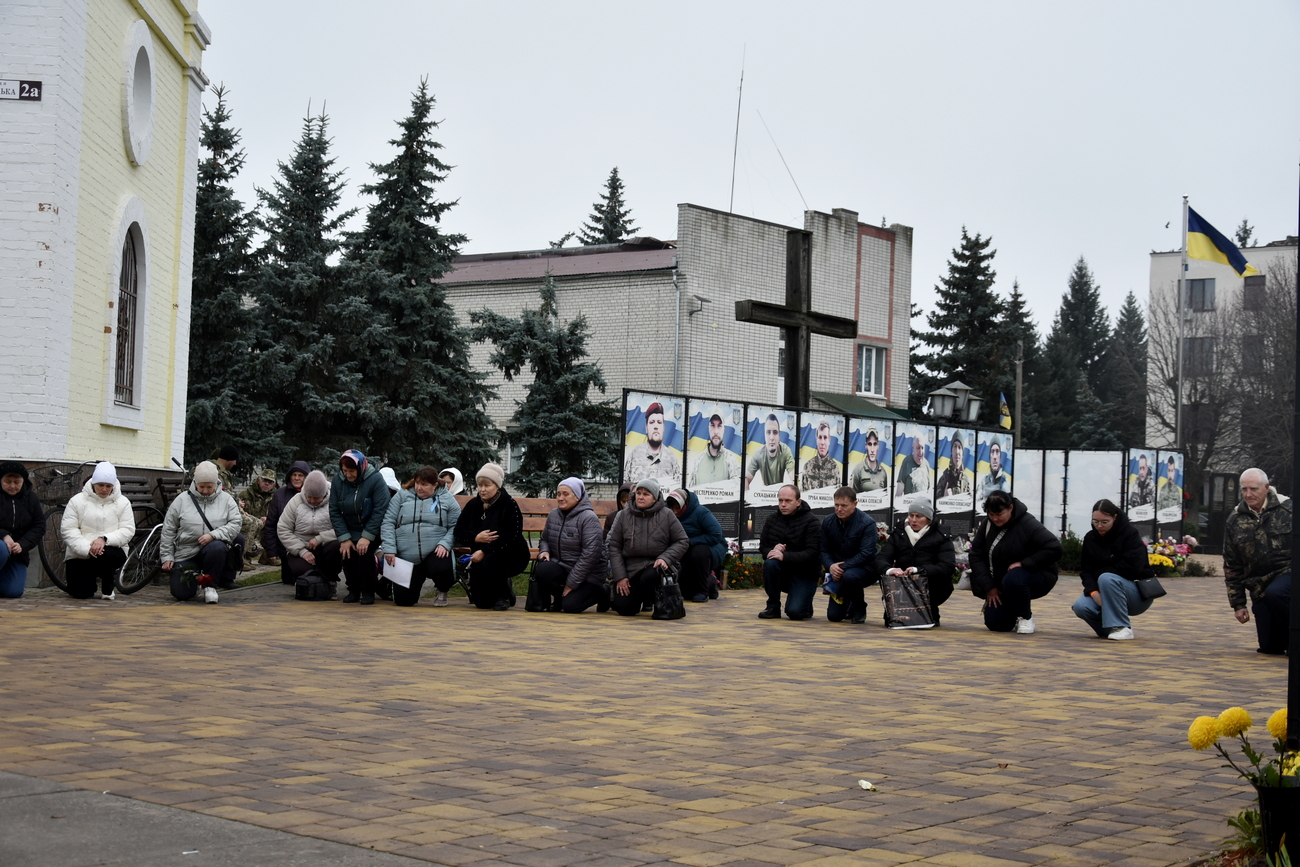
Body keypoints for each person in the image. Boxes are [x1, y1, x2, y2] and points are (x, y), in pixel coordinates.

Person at [968, 490, 1062, 634]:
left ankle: (1026, 616)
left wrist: (1025, 563)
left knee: (1014, 578)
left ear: (1011, 508)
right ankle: (1012, 611)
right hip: (1000, 582)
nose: (995, 519)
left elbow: (1054, 547)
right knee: (997, 624)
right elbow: (976, 556)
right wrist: (989, 587)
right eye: (991, 515)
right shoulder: (987, 525)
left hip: (1035, 575)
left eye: (999, 515)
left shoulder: (1027, 523)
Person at [1223, 468, 1292, 655]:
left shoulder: (1289, 509)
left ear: (1267, 488)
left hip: (1288, 574)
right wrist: (1238, 604)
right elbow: (1232, 565)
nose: (1248, 494)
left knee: (1276, 593)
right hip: (1259, 586)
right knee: (1269, 647)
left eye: (1253, 489)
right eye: (1244, 489)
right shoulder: (1235, 520)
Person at [1070, 499, 1154, 641]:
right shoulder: (1090, 538)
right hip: (1104, 590)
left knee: (1106, 577)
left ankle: (1122, 627)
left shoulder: (1130, 535)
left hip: (1137, 594)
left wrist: (1101, 574)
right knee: (1080, 607)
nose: (1099, 526)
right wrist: (1094, 592)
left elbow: (1133, 569)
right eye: (1095, 521)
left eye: (1104, 522)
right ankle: (1109, 630)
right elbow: (1085, 570)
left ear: (1115, 518)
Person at [160, 461, 242, 603]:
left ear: (216, 484)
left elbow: (236, 524)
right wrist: (167, 556)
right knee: (181, 594)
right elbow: (169, 529)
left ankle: (210, 586)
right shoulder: (181, 500)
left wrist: (213, 535)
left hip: (212, 549)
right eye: (201, 486)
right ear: (195, 483)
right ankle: (195, 583)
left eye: (209, 487)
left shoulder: (226, 500)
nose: (205, 490)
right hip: (186, 551)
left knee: (216, 547)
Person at [606, 478, 689, 617]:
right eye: (638, 493)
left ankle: (656, 598)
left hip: (657, 565)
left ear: (655, 498)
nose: (641, 497)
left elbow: (682, 540)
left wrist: (666, 558)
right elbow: (613, 546)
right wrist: (620, 577)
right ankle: (640, 598)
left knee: (651, 575)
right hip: (631, 569)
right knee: (624, 609)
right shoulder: (623, 515)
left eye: (646, 494)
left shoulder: (667, 514)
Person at [382, 466, 461, 608]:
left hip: (434, 551)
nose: (419, 488)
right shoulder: (402, 495)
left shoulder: (447, 498)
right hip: (406, 554)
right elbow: (388, 521)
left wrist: (445, 543)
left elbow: (457, 525)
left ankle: (442, 589)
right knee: (403, 601)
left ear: (435, 485)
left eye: (424, 485)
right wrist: (389, 548)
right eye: (417, 483)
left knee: (442, 566)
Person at [454, 463, 530, 611]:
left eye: (487, 485)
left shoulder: (509, 505)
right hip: (479, 557)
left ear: (497, 486)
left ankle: (504, 596)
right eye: (479, 485)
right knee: (481, 603)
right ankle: (504, 590)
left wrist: (485, 550)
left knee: (492, 559)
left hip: (510, 555)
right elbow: (458, 531)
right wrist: (475, 538)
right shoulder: (473, 505)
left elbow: (511, 535)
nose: (482, 489)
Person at [875, 496, 956, 626]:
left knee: (927, 620)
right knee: (892, 622)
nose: (913, 520)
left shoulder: (941, 536)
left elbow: (947, 566)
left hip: (931, 584)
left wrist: (919, 570)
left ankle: (931, 610)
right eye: (911, 515)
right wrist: (890, 570)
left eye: (919, 516)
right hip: (902, 584)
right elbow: (881, 558)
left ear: (928, 518)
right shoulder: (899, 533)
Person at [60, 461, 135, 600]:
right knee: (80, 593)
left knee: (106, 555)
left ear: (114, 485)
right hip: (81, 553)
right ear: (93, 483)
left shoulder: (123, 502)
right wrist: (87, 548)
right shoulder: (77, 501)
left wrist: (104, 539)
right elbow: (68, 530)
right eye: (101, 485)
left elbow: (128, 530)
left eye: (108, 486)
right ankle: (88, 579)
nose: (104, 489)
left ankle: (108, 583)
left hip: (110, 550)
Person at [533, 477, 607, 613]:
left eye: (565, 494)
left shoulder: (588, 518)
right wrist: (544, 551)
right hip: (563, 567)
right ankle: (560, 598)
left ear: (577, 497)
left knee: (570, 606)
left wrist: (570, 584)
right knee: (543, 570)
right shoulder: (554, 515)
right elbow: (544, 539)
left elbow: (590, 556)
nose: (560, 498)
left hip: (589, 574)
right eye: (558, 494)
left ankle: (603, 593)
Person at [329, 449, 391, 606]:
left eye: (352, 471)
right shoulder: (338, 480)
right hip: (349, 529)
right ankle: (353, 590)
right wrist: (344, 537)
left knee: (364, 553)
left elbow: (380, 509)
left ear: (361, 467)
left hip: (370, 528)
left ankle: (368, 590)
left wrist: (367, 536)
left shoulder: (375, 479)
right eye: (345, 471)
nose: (348, 475)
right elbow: (334, 511)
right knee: (347, 554)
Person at [757, 484, 822, 620]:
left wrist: (784, 556)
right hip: (783, 572)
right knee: (770, 563)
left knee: (795, 613)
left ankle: (805, 603)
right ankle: (773, 607)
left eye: (788, 501)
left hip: (805, 573)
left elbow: (813, 553)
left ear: (798, 502)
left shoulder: (812, 522)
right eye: (780, 500)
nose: (783, 505)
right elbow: (763, 547)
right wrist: (772, 550)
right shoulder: (772, 519)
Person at [820, 486, 879, 623]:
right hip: (838, 571)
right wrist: (830, 566)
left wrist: (843, 567)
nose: (839, 509)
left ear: (855, 504)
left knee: (850, 576)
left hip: (864, 569)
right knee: (834, 617)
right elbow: (823, 550)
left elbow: (867, 553)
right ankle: (849, 603)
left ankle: (859, 608)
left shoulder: (867, 523)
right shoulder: (828, 522)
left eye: (844, 505)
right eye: (836, 505)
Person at [277, 470, 342, 586]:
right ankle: (313, 583)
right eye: (309, 497)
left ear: (324, 494)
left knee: (337, 546)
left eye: (316, 498)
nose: (312, 501)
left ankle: (329, 580)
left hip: (325, 546)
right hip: (301, 546)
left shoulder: (334, 502)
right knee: (301, 570)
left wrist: (321, 538)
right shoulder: (295, 501)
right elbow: (283, 528)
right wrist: (301, 551)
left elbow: (343, 528)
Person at [666, 488, 725, 603]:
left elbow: (716, 534)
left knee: (698, 553)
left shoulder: (701, 512)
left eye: (677, 508)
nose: (675, 512)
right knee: (686, 594)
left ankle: (703, 591)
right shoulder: (667, 514)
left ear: (685, 504)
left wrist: (690, 541)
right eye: (672, 508)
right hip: (684, 548)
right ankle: (711, 582)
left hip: (710, 547)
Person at [0, 462, 45, 599]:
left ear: (23, 481)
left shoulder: (31, 499)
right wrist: (4, 535)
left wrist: (22, 544)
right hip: (1, 546)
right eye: (7, 481)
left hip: (17, 553)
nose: (12, 486)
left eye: (17, 482)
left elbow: (39, 525)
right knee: (1, 549)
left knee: (13, 592)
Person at [264, 460, 310, 575]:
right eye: (294, 475)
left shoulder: (313, 495)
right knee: (290, 579)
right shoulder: (279, 495)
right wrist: (272, 551)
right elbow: (271, 525)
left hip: (309, 544)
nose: (297, 478)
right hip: (285, 546)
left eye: (300, 475)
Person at [624, 402, 682, 486]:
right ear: (646, 428)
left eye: (659, 422)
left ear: (663, 427)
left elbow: (676, 489)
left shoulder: (671, 458)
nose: (655, 426)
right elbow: (626, 487)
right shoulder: (635, 454)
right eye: (652, 422)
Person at [237, 468, 278, 566]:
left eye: (270, 481)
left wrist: (269, 519)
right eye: (264, 480)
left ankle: (268, 555)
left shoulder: (276, 497)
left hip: (266, 531)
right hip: (250, 531)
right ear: (258, 480)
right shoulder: (245, 495)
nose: (267, 483)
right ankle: (242, 557)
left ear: (274, 485)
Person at [746, 414, 795, 489]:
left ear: (779, 435)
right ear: (764, 435)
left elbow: (794, 477)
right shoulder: (758, 453)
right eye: (768, 432)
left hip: (780, 496)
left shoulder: (785, 450)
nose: (771, 437)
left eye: (775, 432)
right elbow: (746, 479)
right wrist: (746, 496)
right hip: (765, 497)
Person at [690, 413, 741, 485]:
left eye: (719, 426)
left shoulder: (731, 460)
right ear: (708, 428)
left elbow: (737, 491)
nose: (716, 431)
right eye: (713, 425)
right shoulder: (698, 462)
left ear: (724, 430)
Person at [801, 421, 841, 490]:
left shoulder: (835, 468)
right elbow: (803, 493)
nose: (822, 442)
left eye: (825, 438)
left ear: (829, 440)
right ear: (816, 440)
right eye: (820, 437)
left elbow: (838, 495)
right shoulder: (808, 466)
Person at [850, 428, 888, 493]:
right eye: (870, 444)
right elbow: (851, 496)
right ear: (866, 446)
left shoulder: (883, 472)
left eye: (875, 444)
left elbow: (884, 497)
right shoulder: (858, 470)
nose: (872, 449)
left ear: (878, 446)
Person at [895, 432, 932, 497]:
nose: (920, 451)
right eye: (918, 448)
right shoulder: (907, 462)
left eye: (922, 448)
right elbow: (899, 492)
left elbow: (928, 491)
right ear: (913, 447)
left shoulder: (926, 464)